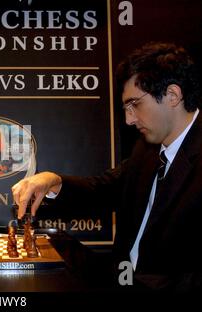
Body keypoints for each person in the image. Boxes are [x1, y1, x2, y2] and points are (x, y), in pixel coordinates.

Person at [12, 42, 202, 292]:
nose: (129, 119)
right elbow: (104, 189)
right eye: (126, 107)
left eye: (135, 104)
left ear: (173, 95)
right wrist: (53, 180)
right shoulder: (146, 149)